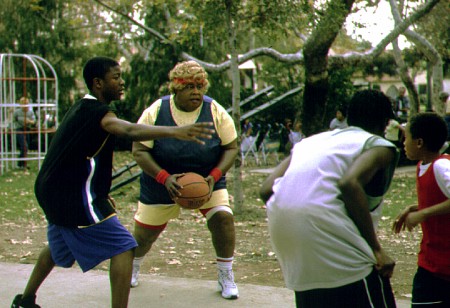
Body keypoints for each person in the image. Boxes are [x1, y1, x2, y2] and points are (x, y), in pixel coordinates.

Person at [11, 56, 214, 308]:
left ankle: (25, 300)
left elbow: (75, 157)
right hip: (70, 195)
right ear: (98, 83)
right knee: (124, 248)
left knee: (59, 244)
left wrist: (99, 192)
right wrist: (175, 131)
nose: (122, 82)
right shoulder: (99, 113)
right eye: (116, 77)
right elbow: (129, 131)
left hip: (52, 189)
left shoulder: (82, 107)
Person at [260, 89, 399, 308]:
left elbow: (266, 189)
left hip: (292, 247)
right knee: (371, 283)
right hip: (331, 239)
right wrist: (377, 249)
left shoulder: (311, 142)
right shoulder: (379, 146)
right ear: (385, 122)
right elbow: (349, 184)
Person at [130, 60, 240, 300]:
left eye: (200, 86)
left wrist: (214, 177)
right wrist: (164, 177)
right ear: (176, 88)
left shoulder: (214, 111)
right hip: (161, 179)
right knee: (143, 237)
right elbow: (139, 149)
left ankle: (226, 274)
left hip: (205, 178)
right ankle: (133, 265)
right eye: (190, 86)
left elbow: (231, 147)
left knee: (223, 219)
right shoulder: (156, 111)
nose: (196, 92)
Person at [393, 112, 450, 307]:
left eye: (406, 138)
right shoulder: (422, 166)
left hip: (443, 264)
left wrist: (423, 213)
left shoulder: (441, 166)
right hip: (432, 262)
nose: (403, 143)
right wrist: (414, 208)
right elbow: (440, 199)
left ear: (419, 142)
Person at [13, 97, 36, 169]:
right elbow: (14, 120)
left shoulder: (30, 112)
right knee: (24, 146)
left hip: (27, 129)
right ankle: (21, 164)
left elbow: (34, 121)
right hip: (19, 129)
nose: (26, 105)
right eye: (24, 103)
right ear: (21, 104)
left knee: (26, 147)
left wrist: (29, 121)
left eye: (27, 103)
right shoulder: (17, 112)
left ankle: (23, 164)